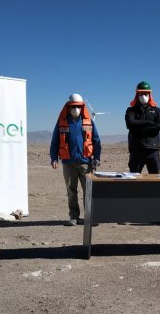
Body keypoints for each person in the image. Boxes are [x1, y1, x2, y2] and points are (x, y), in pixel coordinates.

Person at [50, 93, 101, 226]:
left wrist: (97, 157)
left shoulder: (88, 122)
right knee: (71, 191)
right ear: (68, 107)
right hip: (68, 162)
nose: (75, 109)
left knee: (88, 191)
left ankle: (90, 217)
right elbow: (55, 141)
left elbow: (96, 141)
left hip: (85, 162)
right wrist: (54, 158)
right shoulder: (62, 123)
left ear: (82, 107)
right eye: (73, 107)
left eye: (78, 107)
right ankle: (74, 216)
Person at [125, 81, 160, 174]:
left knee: (155, 178)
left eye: (146, 94)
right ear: (137, 95)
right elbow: (130, 124)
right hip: (136, 150)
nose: (143, 96)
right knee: (134, 178)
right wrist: (149, 122)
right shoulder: (131, 110)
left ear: (149, 95)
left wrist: (138, 127)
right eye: (141, 94)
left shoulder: (156, 110)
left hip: (152, 150)